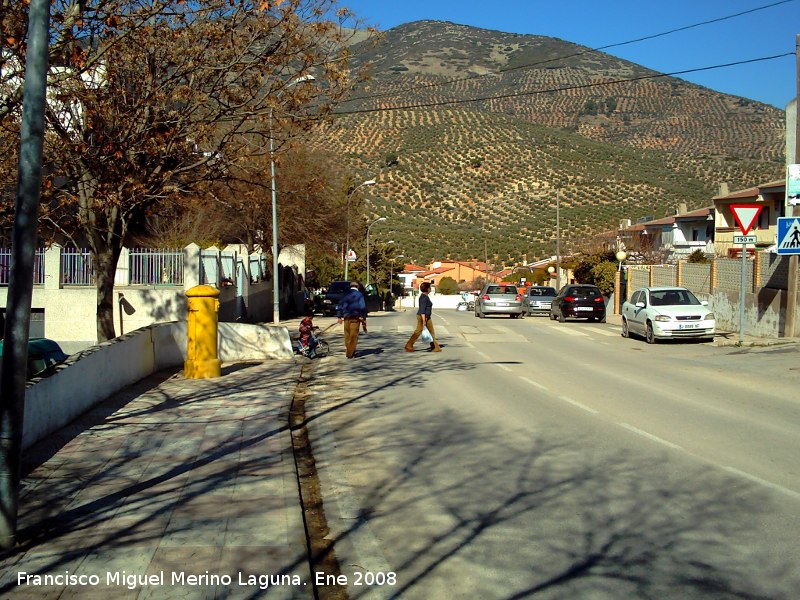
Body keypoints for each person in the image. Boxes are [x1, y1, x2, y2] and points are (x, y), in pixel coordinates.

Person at [405, 281, 441, 352]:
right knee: (418, 331)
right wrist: (424, 320)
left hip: (427, 317)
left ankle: (435, 347)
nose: (430, 289)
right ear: (427, 289)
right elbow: (422, 310)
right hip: (423, 317)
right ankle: (409, 345)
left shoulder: (425, 296)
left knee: (431, 332)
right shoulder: (424, 298)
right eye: (429, 287)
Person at [336, 281, 367, 359]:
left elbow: (340, 305)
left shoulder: (345, 294)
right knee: (354, 335)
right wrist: (364, 318)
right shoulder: (359, 295)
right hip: (356, 317)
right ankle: (350, 353)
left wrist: (339, 316)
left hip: (346, 317)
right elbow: (362, 307)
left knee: (347, 335)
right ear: (357, 287)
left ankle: (349, 350)